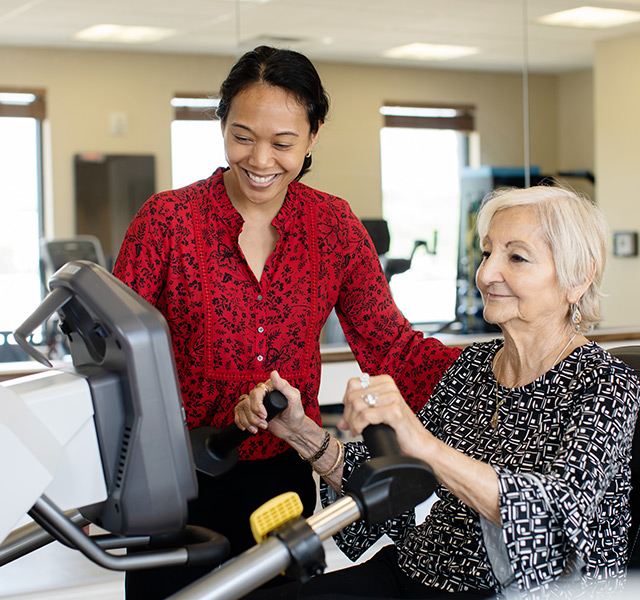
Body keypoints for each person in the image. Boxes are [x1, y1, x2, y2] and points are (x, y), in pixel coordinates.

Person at [112, 45, 460, 598]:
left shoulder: (332, 227)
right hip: (176, 475)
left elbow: (392, 348)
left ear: (313, 135)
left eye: (283, 143)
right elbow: (115, 354)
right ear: (222, 124)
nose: (260, 160)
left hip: (280, 480)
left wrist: (495, 375)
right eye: (243, 136)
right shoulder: (167, 221)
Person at [236, 185, 640, 599]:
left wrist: (422, 444)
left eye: (516, 257)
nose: (485, 274)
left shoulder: (606, 383)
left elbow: (551, 514)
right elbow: (396, 488)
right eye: (486, 254)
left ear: (578, 277)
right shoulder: (474, 368)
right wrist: (301, 432)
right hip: (420, 572)